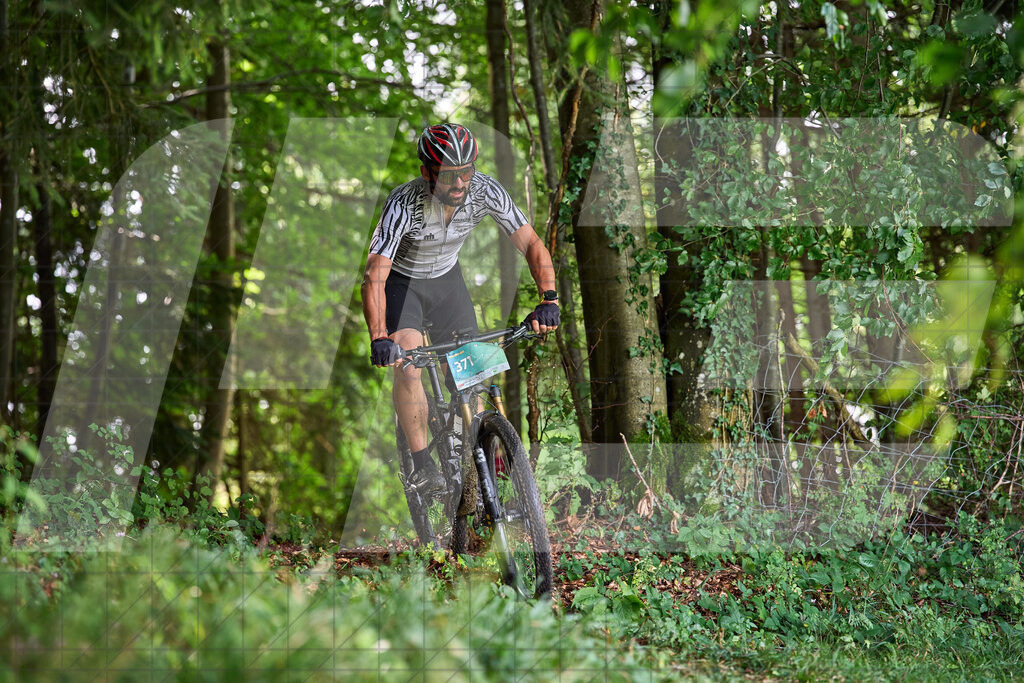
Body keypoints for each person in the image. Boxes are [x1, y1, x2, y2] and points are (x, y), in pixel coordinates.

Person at [361, 123, 560, 495]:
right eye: (448, 175)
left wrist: (549, 299)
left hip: (447, 282)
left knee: (472, 371)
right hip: (403, 284)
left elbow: (532, 243)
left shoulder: (484, 190)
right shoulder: (404, 203)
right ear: (426, 172)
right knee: (408, 367)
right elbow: (375, 273)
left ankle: (481, 453)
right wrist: (379, 337)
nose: (459, 183)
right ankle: (423, 465)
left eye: (466, 172)